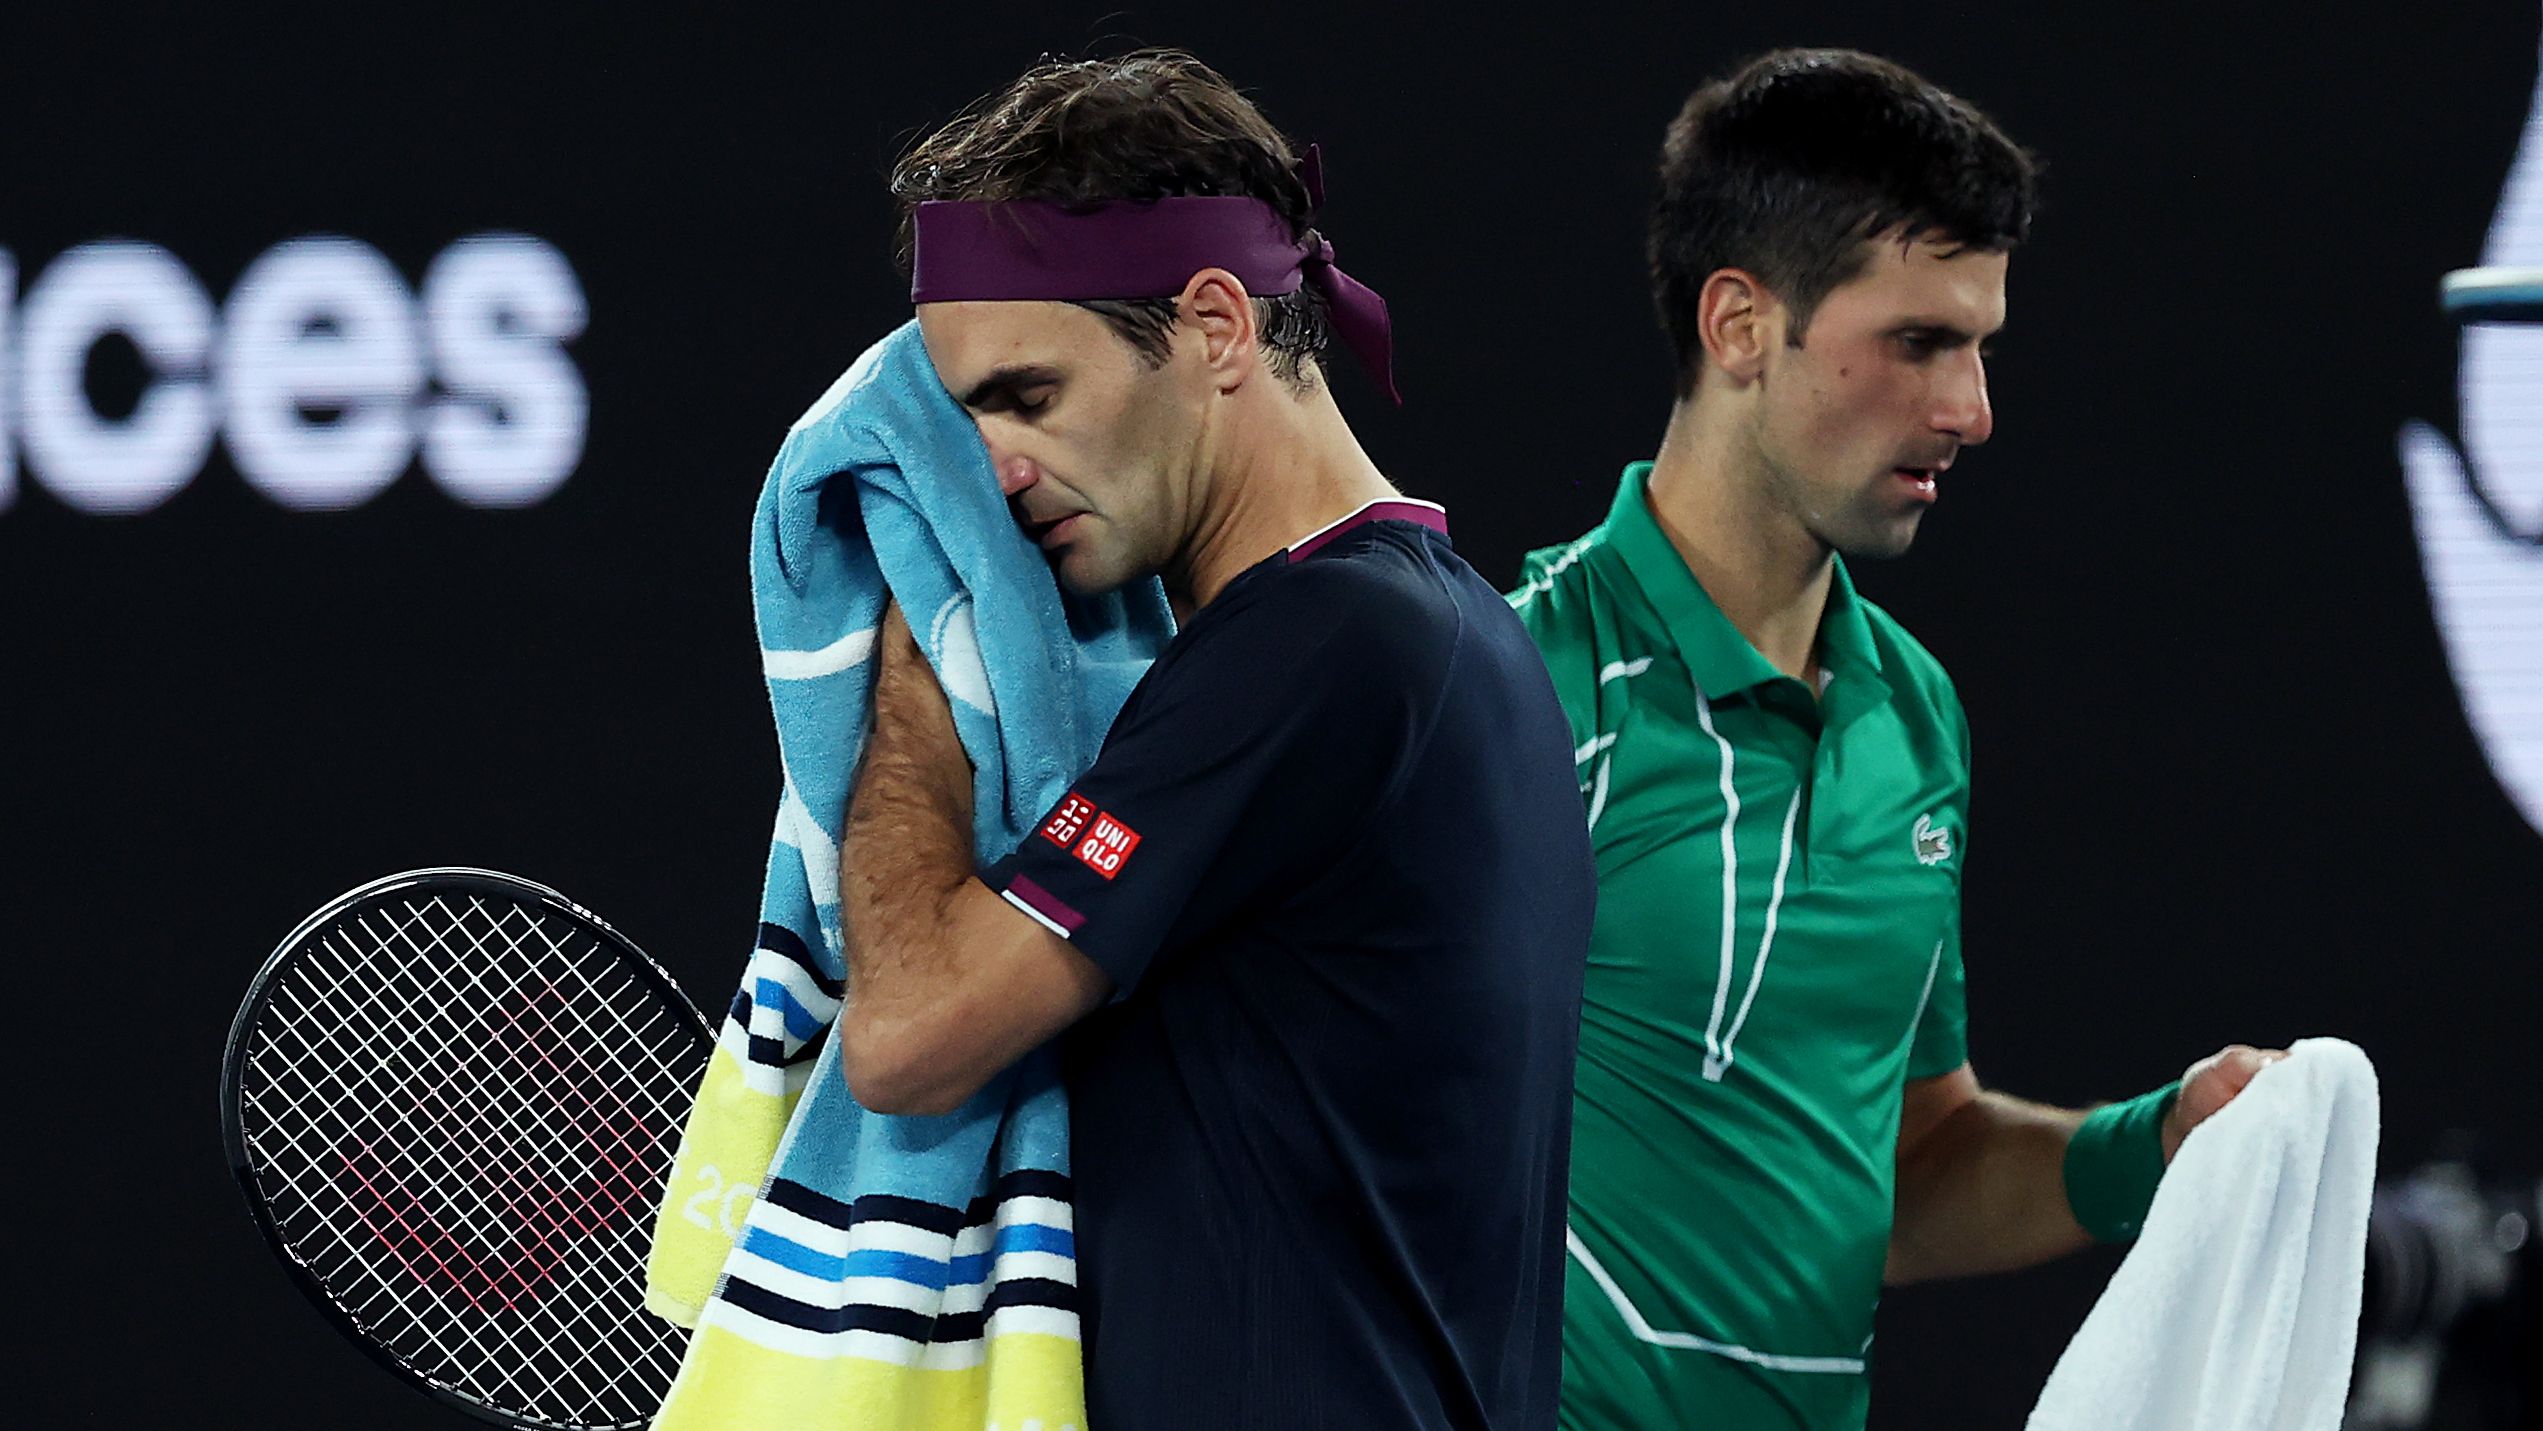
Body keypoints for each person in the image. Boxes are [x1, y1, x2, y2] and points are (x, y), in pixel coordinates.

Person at [1508, 48, 2287, 1430]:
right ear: (1740, 325)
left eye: (1981, 345)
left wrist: (2156, 1145)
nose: (1971, 411)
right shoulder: (1512, 688)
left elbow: (1908, 1165)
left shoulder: (1916, 715)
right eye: (1922, 342)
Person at [835, 51, 1595, 1431]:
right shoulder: (1455, 632)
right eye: (964, 423)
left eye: (1029, 397)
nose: (988, 477)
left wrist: (914, 650)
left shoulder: (1314, 650)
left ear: (1216, 326)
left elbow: (906, 1036)